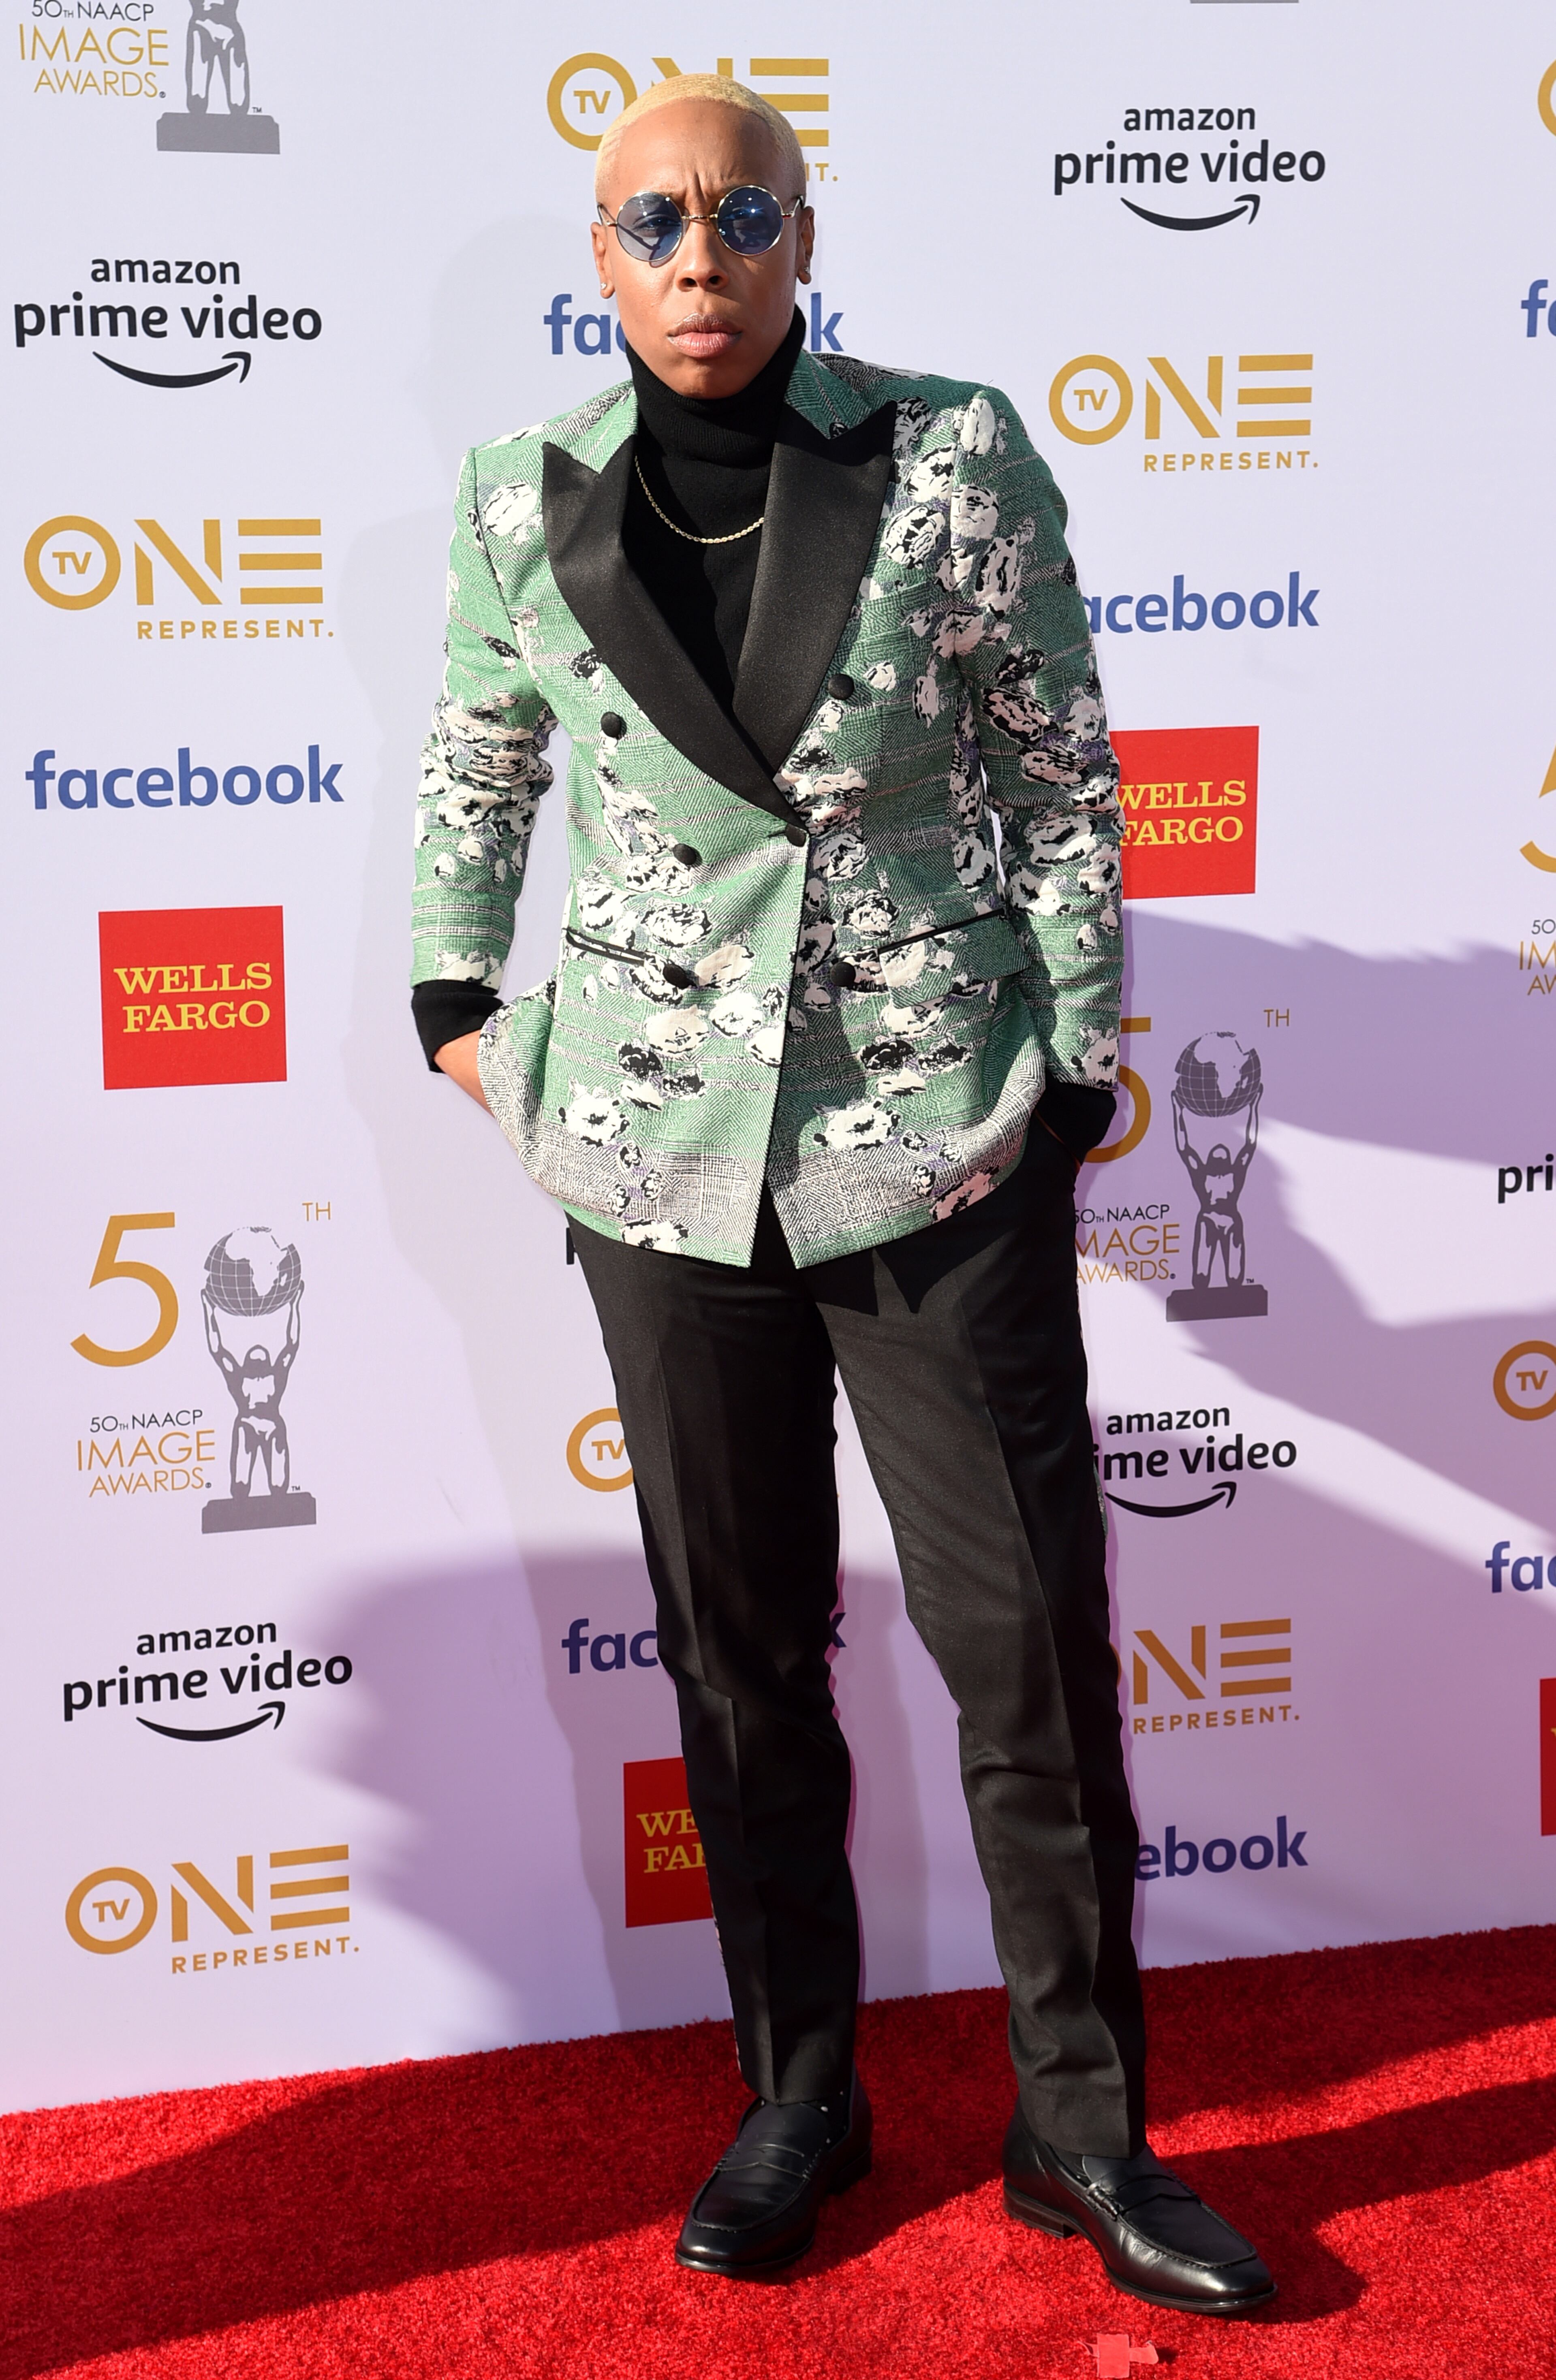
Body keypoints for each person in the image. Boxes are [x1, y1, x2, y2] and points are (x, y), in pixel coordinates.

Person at [410, 73, 1274, 2316]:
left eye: (739, 215)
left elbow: (1060, 760)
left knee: (1028, 1654)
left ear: (800, 237)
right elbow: (480, 756)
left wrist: (1078, 1048)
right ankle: (797, 2085)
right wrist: (450, 994)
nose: (698, 259)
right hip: (655, 1155)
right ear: (596, 259)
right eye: (650, 222)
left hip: (932, 1130)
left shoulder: (954, 447)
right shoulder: (525, 497)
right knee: (735, 1656)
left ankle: (1080, 2126)